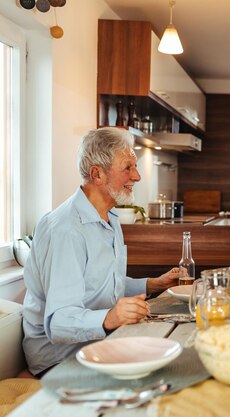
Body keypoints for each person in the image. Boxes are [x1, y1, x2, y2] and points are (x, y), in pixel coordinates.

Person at [22, 127, 180, 377]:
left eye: (135, 166)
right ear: (97, 174)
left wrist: (153, 284)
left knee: (177, 352)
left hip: (98, 342)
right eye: (128, 167)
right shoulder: (66, 230)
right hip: (60, 360)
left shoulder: (108, 215)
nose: (137, 176)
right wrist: (110, 318)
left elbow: (101, 284)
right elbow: (59, 323)